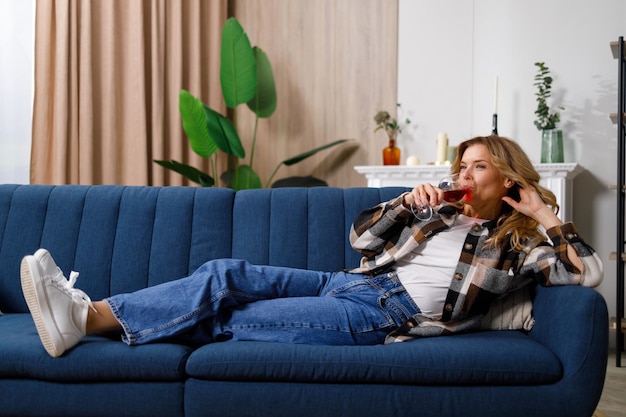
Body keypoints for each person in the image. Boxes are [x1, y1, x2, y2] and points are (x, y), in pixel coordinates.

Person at [21, 135, 603, 358]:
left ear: (509, 179)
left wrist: (545, 211)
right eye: (462, 164)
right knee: (224, 273)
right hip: (350, 284)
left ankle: (82, 316)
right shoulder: (439, 213)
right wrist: (407, 204)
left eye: (481, 167)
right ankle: (82, 316)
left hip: (384, 313)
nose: (466, 174)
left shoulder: (520, 243)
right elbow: (358, 239)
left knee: (237, 315)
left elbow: (590, 275)